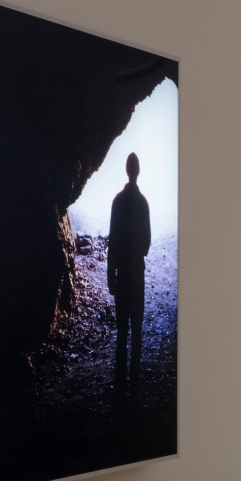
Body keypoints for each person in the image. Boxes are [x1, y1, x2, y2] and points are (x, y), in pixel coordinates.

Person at [109, 153, 152, 390]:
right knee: (136, 328)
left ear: (127, 170)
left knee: (122, 330)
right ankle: (134, 382)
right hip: (137, 271)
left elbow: (112, 241)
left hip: (122, 271)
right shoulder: (143, 202)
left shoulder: (117, 201)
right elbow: (146, 243)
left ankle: (119, 381)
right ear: (138, 171)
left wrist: (110, 276)